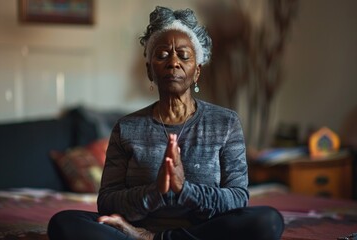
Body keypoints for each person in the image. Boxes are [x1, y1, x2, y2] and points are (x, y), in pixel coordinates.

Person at [48, 6, 284, 240]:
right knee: (64, 223)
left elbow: (237, 198)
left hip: (204, 230)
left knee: (268, 221)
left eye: (183, 56)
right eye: (162, 55)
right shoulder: (127, 127)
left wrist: (184, 190)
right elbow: (108, 201)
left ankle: (154, 239)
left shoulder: (225, 122)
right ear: (150, 70)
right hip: (137, 226)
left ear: (197, 71)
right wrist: (156, 192)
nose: (173, 62)